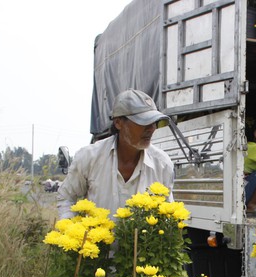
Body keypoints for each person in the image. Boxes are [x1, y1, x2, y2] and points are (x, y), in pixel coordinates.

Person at [57, 89, 175, 220]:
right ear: (118, 123)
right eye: (143, 122)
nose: (151, 128)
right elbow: (66, 197)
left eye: (154, 122)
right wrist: (70, 230)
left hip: (141, 240)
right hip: (96, 239)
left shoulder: (162, 165)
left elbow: (167, 211)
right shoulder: (89, 157)